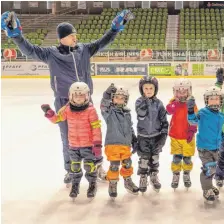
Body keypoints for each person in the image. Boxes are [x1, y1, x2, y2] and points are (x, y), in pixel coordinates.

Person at [1, 10, 134, 185]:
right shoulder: (51, 53)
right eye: (72, 35)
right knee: (68, 138)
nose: (75, 38)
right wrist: (16, 36)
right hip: (65, 102)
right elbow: (29, 50)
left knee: (94, 135)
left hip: (87, 103)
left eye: (75, 35)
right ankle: (71, 170)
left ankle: (97, 167)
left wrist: (115, 29)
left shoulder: (84, 50)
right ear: (62, 38)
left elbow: (104, 42)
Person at [40, 82, 101, 200]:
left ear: (87, 96)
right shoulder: (67, 109)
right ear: (70, 96)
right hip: (73, 145)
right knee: (75, 167)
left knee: (90, 166)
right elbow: (57, 119)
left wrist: (97, 144)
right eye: (76, 95)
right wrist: (49, 112)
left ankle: (92, 184)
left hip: (87, 145)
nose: (78, 98)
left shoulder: (91, 110)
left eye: (81, 95)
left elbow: (96, 127)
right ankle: (75, 184)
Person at [100, 84, 139, 199]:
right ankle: (112, 183)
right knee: (114, 166)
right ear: (112, 98)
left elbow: (130, 128)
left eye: (122, 98)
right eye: (117, 97)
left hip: (125, 145)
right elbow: (103, 106)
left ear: (126, 100)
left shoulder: (127, 113)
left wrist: (134, 140)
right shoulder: (109, 112)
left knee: (127, 164)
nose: (119, 100)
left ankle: (128, 181)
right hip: (112, 144)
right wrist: (106, 95)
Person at [187, 86, 224, 204]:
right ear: (206, 100)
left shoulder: (221, 115)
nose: (214, 101)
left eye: (216, 99)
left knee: (213, 169)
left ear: (221, 100)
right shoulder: (203, 113)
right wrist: (190, 111)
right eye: (211, 99)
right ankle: (206, 189)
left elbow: (219, 131)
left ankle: (209, 185)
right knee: (209, 168)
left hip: (216, 147)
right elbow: (193, 121)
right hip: (204, 147)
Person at [135, 76, 168, 193]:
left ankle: (154, 175)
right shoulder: (139, 101)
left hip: (156, 136)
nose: (148, 91)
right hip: (143, 136)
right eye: (146, 88)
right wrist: (144, 104)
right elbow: (141, 115)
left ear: (155, 90)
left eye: (151, 88)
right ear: (142, 90)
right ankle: (143, 177)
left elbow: (164, 120)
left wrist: (163, 135)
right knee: (144, 158)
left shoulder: (159, 104)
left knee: (154, 158)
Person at [166, 78, 198, 190]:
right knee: (176, 158)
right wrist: (173, 105)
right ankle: (176, 174)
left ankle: (186, 173)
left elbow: (195, 119)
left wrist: (192, 130)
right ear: (175, 92)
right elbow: (169, 111)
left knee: (187, 159)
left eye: (184, 91)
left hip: (188, 138)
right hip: (175, 136)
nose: (181, 94)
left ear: (189, 91)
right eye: (179, 91)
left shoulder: (191, 104)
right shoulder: (173, 102)